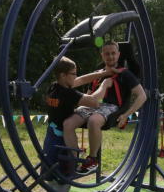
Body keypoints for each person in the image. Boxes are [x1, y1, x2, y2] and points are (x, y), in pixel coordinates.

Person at [42, 57, 113, 192]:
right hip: (62, 140)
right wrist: (104, 85)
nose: (76, 76)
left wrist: (101, 74)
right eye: (73, 74)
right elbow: (94, 102)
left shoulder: (54, 87)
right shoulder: (68, 94)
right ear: (63, 75)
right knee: (64, 179)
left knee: (51, 176)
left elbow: (80, 80)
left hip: (50, 136)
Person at [63, 41, 147, 173]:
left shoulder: (125, 74)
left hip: (113, 107)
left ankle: (93, 159)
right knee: (67, 123)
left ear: (119, 54)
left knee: (93, 121)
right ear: (102, 55)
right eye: (107, 54)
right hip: (94, 104)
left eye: (113, 53)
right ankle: (73, 159)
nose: (110, 57)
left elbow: (142, 96)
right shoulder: (97, 74)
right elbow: (89, 95)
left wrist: (126, 115)